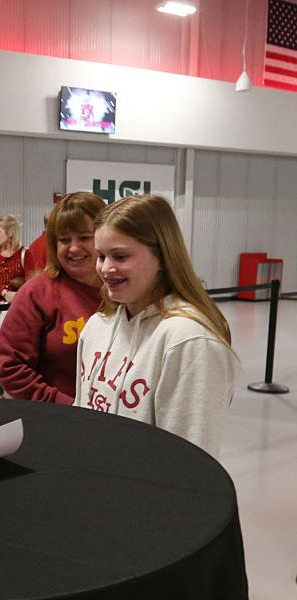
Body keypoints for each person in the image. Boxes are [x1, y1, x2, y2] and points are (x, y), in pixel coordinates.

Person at [74, 194, 235, 456]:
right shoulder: (97, 326)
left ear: (162, 257)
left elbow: (189, 458)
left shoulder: (189, 340)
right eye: (101, 256)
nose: (105, 268)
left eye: (121, 256)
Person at [0, 192, 105, 404]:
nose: (74, 248)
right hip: (60, 420)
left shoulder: (123, 290)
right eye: (64, 240)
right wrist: (67, 406)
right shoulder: (37, 293)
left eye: (84, 237)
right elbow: (11, 369)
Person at [0, 214, 38, 398]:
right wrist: (6, 293)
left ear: (9, 233)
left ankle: (19, 392)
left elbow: (32, 281)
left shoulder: (25, 254)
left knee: (18, 353)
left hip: (18, 310)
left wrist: (19, 294)